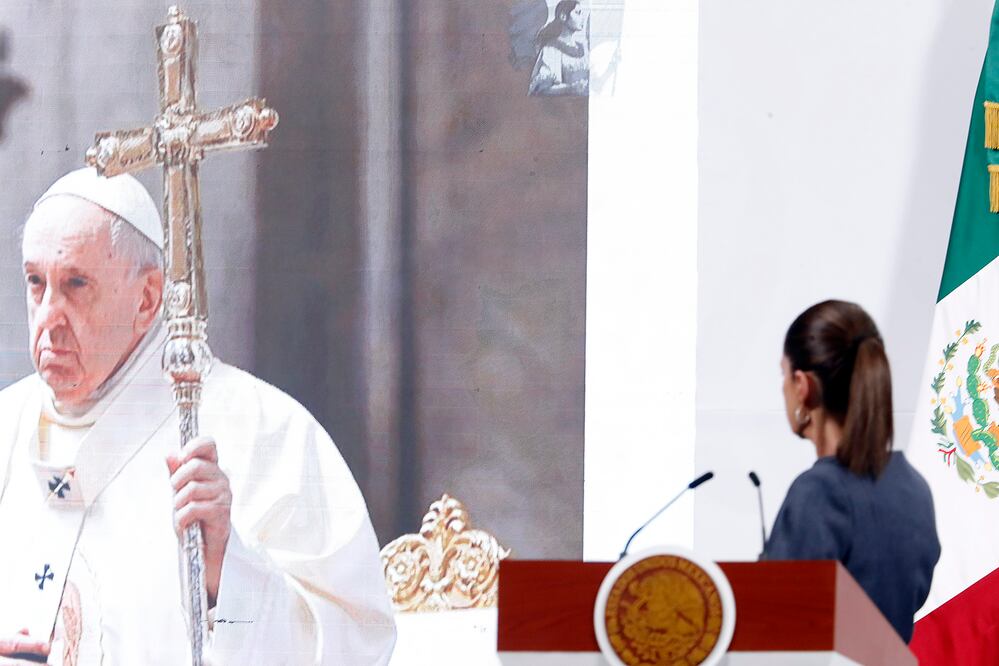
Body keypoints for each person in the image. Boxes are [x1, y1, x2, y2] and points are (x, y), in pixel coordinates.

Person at [0, 168, 396, 665]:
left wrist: (226, 574)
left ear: (148, 299)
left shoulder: (263, 433)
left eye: (76, 285)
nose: (48, 318)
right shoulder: (7, 426)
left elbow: (355, 644)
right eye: (36, 284)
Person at [764, 300, 940, 643]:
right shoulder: (914, 489)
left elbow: (779, 628)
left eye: (783, 374)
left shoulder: (818, 493)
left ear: (802, 386)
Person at [528, 0, 589, 96]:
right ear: (563, 16)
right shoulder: (551, 50)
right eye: (578, 13)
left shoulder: (583, 48)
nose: (582, 18)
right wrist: (570, 88)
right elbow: (542, 90)